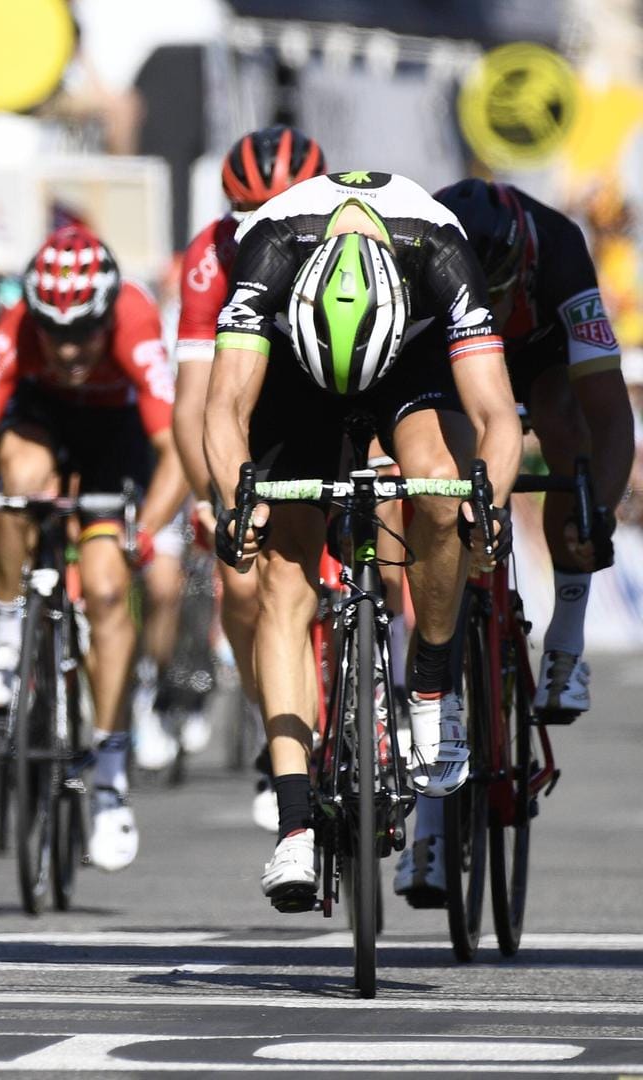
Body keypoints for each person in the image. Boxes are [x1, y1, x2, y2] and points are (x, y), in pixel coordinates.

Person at [202, 170, 521, 913]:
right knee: (284, 578)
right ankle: (293, 827)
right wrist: (235, 498)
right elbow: (224, 407)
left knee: (441, 490)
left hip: (407, 357)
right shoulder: (269, 251)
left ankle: (434, 683)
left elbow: (497, 416)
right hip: (296, 370)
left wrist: (490, 504)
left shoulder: (441, 251)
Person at [389, 180, 638, 906]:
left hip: (539, 358)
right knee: (447, 483)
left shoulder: (560, 250)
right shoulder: (421, 250)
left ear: (520, 266)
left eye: (495, 286)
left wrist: (595, 508)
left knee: (568, 432)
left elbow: (609, 411)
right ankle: (429, 829)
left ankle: (564, 641)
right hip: (452, 358)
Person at [0, 225, 185, 872]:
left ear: (106, 316)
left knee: (105, 590)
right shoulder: (18, 324)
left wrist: (143, 532)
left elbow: (175, 451)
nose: (70, 348)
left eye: (84, 334)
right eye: (56, 333)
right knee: (17, 479)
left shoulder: (133, 316)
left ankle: (107, 771)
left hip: (115, 437)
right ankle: (12, 626)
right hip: (42, 422)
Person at [172, 124, 328, 828]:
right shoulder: (211, 259)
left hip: (331, 400)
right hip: (247, 413)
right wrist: (213, 497)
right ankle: (280, 730)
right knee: (241, 584)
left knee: (393, 562)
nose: (267, 229)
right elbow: (194, 402)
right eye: (250, 216)